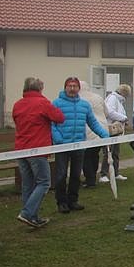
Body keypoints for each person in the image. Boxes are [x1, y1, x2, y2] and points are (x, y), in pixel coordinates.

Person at [12, 77, 64, 228]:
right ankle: (27, 213)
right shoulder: (43, 103)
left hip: (21, 149)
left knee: (28, 184)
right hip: (37, 149)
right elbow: (59, 117)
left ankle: (32, 217)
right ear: (40, 89)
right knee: (44, 182)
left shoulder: (17, 104)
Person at [53, 77, 110, 213]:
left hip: (79, 145)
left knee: (76, 174)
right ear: (65, 87)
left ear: (79, 88)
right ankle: (61, 202)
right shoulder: (56, 103)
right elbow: (52, 124)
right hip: (62, 146)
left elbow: (93, 123)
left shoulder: (84, 105)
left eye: (75, 86)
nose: (72, 89)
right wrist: (58, 138)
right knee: (61, 175)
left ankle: (73, 200)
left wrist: (105, 135)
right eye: (70, 86)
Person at [79, 81, 107, 187]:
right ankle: (92, 177)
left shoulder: (78, 99)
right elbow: (106, 112)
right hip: (102, 129)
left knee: (86, 157)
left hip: (88, 130)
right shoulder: (98, 97)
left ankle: (90, 180)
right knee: (95, 155)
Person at [100, 84, 131, 182]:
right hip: (110, 130)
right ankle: (103, 174)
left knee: (116, 152)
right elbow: (110, 112)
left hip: (116, 131)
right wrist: (124, 118)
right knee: (108, 153)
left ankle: (116, 173)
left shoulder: (118, 100)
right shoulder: (112, 98)